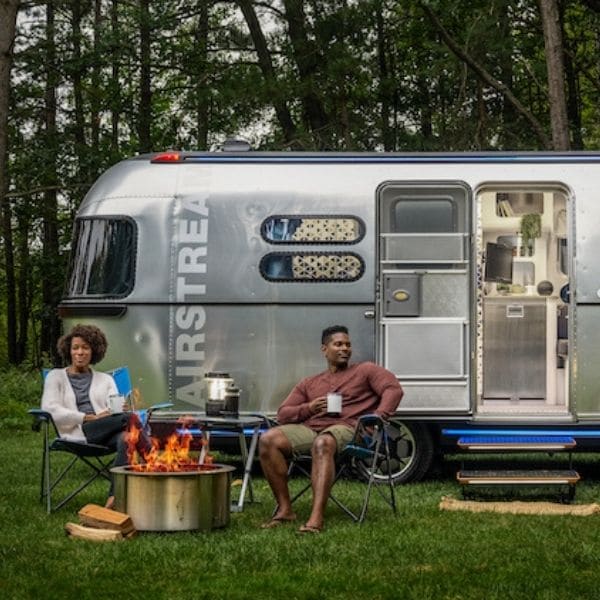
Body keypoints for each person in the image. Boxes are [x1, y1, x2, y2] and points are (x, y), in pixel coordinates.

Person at [259, 325, 403, 533]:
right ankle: (285, 510)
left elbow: (393, 389)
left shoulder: (365, 370)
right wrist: (309, 408)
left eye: (348, 344)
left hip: (350, 428)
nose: (345, 348)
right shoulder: (310, 383)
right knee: (268, 439)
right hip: (313, 428)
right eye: (338, 344)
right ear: (324, 349)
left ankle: (316, 518)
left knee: (323, 442)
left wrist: (378, 417)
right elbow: (283, 414)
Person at [41, 324, 150, 508]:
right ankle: (153, 458)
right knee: (130, 419)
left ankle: (114, 498)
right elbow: (50, 408)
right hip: (78, 433)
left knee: (127, 437)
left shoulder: (106, 380)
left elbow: (113, 409)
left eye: (85, 348)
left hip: (105, 431)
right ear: (68, 350)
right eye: (75, 348)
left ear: (94, 351)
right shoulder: (55, 376)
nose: (80, 352)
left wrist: (118, 409)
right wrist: (86, 417)